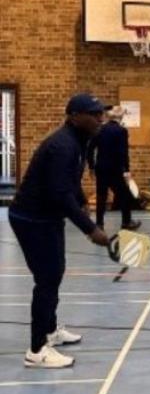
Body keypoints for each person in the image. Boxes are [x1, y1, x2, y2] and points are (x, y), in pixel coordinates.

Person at [8, 93, 111, 368]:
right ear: (75, 116)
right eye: (94, 113)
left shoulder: (79, 141)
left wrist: (81, 201)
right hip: (31, 219)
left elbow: (71, 181)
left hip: (46, 218)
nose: (100, 118)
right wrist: (91, 229)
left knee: (55, 274)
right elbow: (59, 194)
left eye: (101, 113)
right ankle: (37, 350)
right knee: (47, 280)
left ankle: (50, 332)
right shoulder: (63, 146)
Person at [87, 105, 140, 232]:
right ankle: (126, 222)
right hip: (115, 169)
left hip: (101, 168)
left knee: (101, 196)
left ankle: (99, 224)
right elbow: (123, 152)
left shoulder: (100, 129)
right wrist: (126, 170)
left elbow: (90, 149)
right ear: (120, 116)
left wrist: (91, 167)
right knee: (125, 195)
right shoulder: (121, 131)